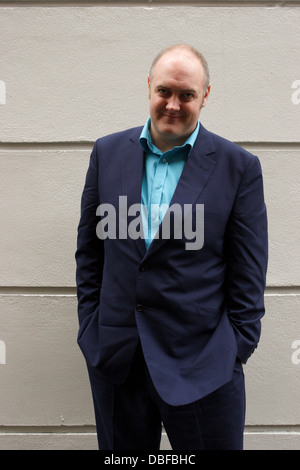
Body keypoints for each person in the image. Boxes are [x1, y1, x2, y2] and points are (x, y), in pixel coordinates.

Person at [75, 44, 268, 450]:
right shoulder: (107, 154)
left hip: (204, 367)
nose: (173, 105)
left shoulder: (239, 168)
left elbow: (249, 273)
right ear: (148, 87)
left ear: (206, 96)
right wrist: (92, 329)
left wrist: (235, 349)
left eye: (187, 95)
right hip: (118, 361)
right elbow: (90, 253)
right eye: (164, 91)